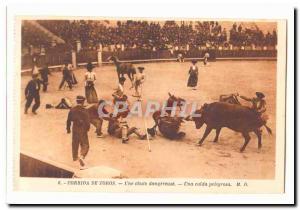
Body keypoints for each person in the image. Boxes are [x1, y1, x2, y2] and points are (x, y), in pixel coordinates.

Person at [66, 96, 90, 169]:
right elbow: (87, 121)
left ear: (77, 101)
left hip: (75, 128)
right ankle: (82, 156)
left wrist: (68, 129)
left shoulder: (72, 110)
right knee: (85, 144)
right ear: (83, 102)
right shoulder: (85, 110)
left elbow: (68, 120)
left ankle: (75, 158)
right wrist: (87, 128)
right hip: (82, 129)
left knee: (75, 143)